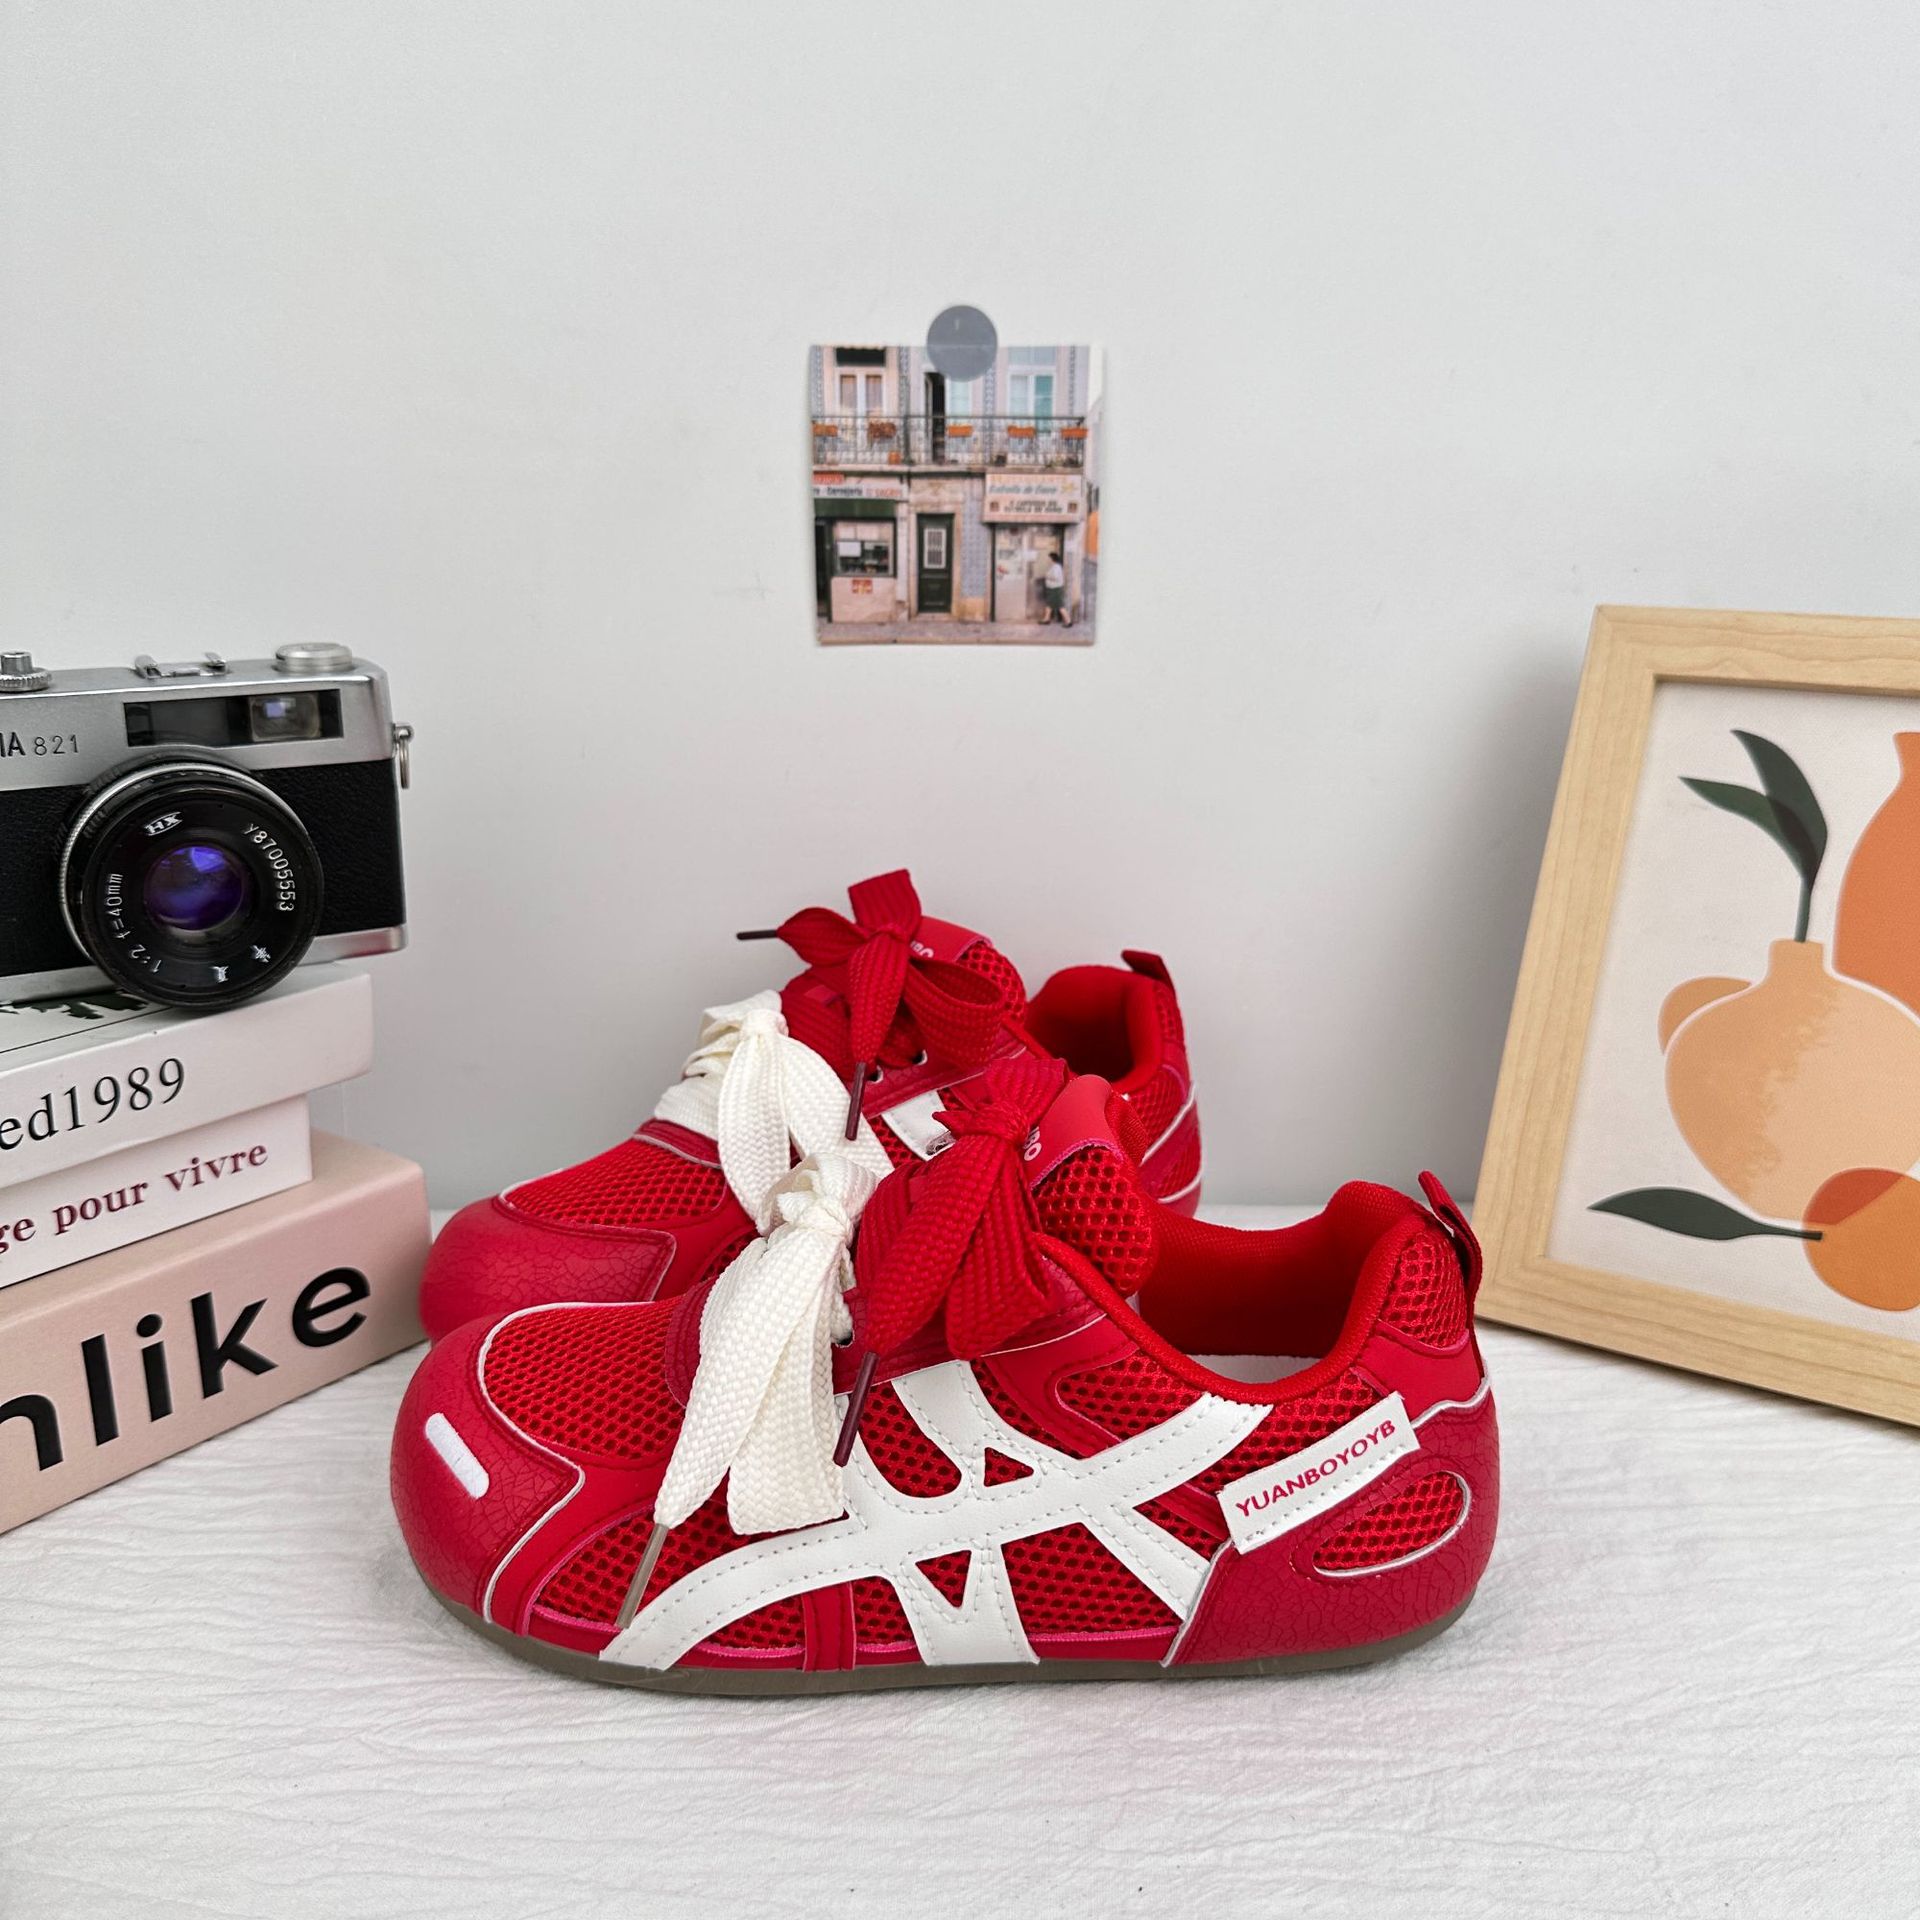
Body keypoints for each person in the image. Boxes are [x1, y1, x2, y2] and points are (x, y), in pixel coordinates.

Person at [1042, 552, 1069, 627]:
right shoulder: (1053, 566)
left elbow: (1055, 577)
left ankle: (1068, 621)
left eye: (1048, 558)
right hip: (1052, 589)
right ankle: (1046, 619)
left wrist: (1047, 575)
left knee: (1060, 606)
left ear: (1052, 559)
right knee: (1049, 604)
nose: (1047, 560)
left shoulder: (1056, 567)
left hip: (1055, 589)